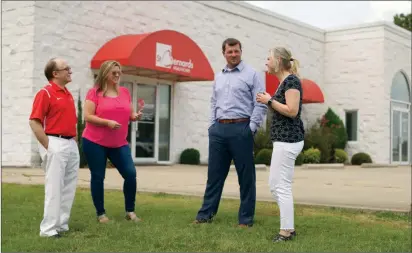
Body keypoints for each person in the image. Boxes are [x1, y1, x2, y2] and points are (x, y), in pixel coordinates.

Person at [194, 38, 268, 227]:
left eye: (236, 51)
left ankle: (245, 219)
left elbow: (260, 102)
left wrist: (251, 128)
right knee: (214, 175)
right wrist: (212, 125)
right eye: (230, 52)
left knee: (246, 176)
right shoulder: (219, 76)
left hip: (241, 128)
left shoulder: (252, 74)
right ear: (224, 53)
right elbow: (213, 101)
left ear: (241, 51)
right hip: (219, 129)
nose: (233, 55)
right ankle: (205, 216)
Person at [82, 60, 142, 223]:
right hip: (95, 142)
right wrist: (106, 122)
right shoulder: (94, 93)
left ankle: (130, 211)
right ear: (105, 73)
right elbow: (87, 116)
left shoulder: (124, 92)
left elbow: (129, 113)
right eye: (113, 72)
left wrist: (134, 116)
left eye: (119, 72)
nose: (117, 75)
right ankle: (101, 214)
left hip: (119, 143)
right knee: (98, 176)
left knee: (130, 174)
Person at [256, 47, 304, 242]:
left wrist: (269, 101)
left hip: (288, 141)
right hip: (284, 141)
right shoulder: (285, 82)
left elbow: (292, 111)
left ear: (277, 60)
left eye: (268, 58)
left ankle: (286, 232)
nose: (266, 62)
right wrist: (270, 100)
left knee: (279, 186)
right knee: (278, 185)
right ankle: (288, 229)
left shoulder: (291, 81)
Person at [29, 58, 79, 238]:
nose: (70, 71)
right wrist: (49, 146)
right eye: (66, 69)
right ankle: (48, 230)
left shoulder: (67, 93)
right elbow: (34, 122)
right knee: (54, 187)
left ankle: (61, 225)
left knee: (69, 186)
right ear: (55, 74)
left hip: (70, 143)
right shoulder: (46, 93)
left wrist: (73, 140)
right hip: (54, 142)